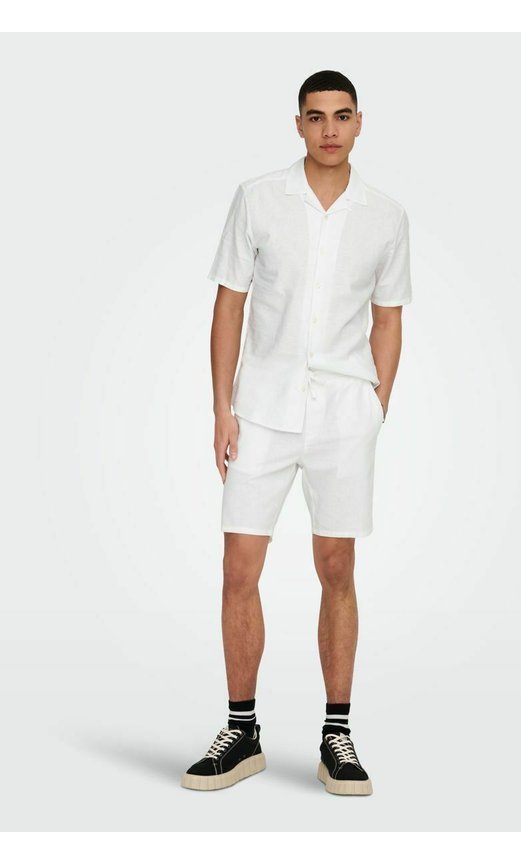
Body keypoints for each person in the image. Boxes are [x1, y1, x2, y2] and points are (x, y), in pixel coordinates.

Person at [181, 69, 412, 796]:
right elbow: (229, 306)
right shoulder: (258, 199)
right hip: (262, 410)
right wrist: (222, 408)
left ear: (360, 122)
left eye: (342, 116)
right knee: (238, 569)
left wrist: (376, 409)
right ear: (299, 124)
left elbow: (388, 318)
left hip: (345, 414)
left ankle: (336, 734)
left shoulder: (385, 216)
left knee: (338, 568)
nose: (329, 130)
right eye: (316, 117)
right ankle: (241, 731)